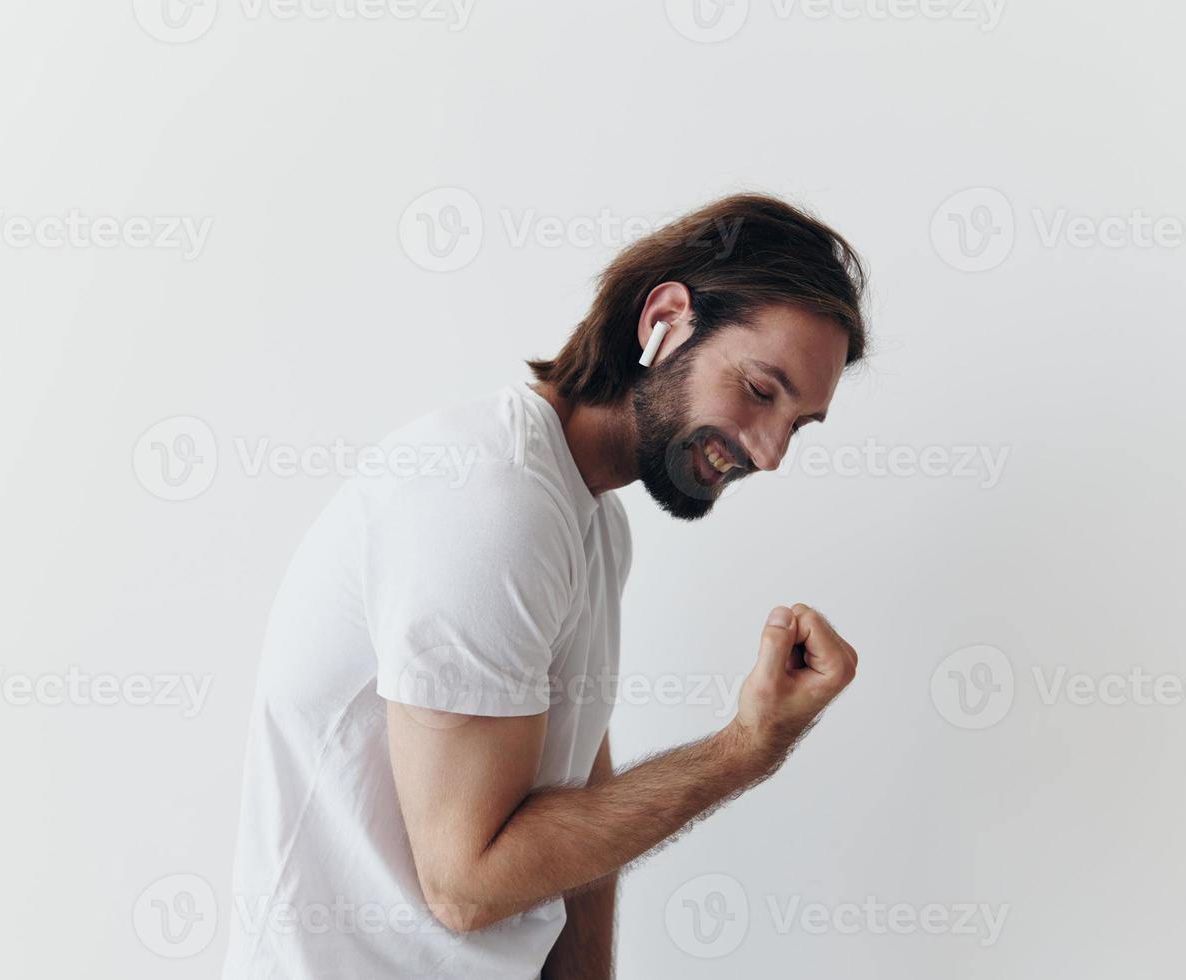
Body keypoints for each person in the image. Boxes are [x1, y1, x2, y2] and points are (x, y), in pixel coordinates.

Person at [222, 193, 867, 979]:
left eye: (797, 424)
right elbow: (466, 885)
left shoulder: (592, 525)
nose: (770, 454)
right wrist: (746, 749)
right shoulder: (488, 498)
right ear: (665, 319)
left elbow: (578, 824)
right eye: (763, 391)